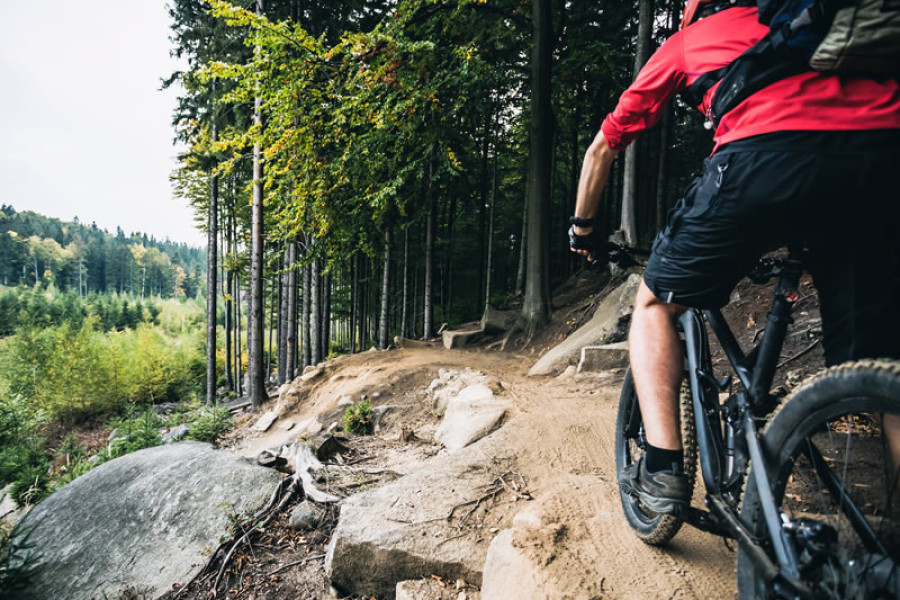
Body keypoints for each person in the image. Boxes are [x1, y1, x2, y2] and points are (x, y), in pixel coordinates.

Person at [570, 0, 900, 514]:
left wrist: (584, 229)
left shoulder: (689, 41)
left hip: (762, 160)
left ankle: (660, 472)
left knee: (656, 305)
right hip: (881, 163)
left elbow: (602, 147)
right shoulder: (832, 23)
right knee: (881, 359)